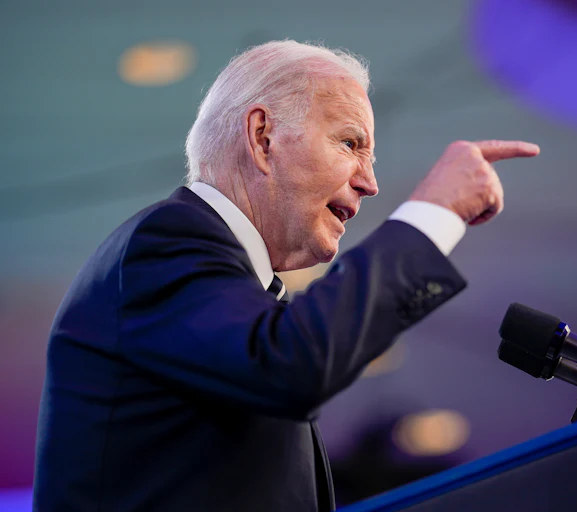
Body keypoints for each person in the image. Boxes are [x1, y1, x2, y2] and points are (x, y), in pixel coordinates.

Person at [32, 40, 540, 511]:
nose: (370, 182)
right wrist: (433, 215)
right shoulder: (164, 241)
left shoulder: (232, 285)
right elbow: (289, 364)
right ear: (263, 137)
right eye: (350, 143)